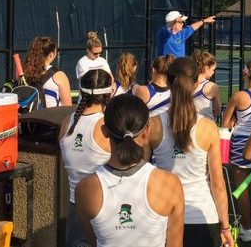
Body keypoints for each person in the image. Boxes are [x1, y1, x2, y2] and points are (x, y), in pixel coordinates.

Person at [75, 94, 184, 247]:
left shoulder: (85, 188)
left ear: (105, 131)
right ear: (146, 131)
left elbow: (96, 242)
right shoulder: (170, 183)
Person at [149, 57, 233, 247]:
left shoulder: (153, 125)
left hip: (163, 216)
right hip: (202, 217)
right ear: (196, 83)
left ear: (168, 82)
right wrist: (225, 227)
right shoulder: (209, 128)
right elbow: (217, 184)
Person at [59, 69, 113, 247]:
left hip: (75, 212)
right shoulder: (105, 126)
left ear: (81, 92)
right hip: (104, 211)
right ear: (108, 94)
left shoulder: (67, 122)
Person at [221, 60, 251, 242]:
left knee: (241, 189)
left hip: (240, 146)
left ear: (245, 74)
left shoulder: (238, 96)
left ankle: (246, 230)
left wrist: (233, 119)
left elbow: (225, 124)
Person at [23, 36, 71, 108]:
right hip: (50, 118)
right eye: (55, 52)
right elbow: (67, 107)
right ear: (51, 55)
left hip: (28, 117)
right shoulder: (59, 76)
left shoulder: (25, 72)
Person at [192, 50, 220, 119]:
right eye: (213, 69)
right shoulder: (211, 86)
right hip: (206, 126)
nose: (213, 72)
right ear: (206, 68)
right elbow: (217, 110)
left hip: (189, 125)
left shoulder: (185, 82)